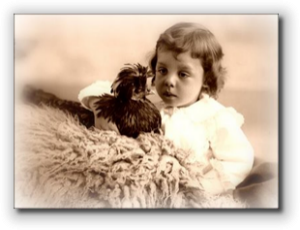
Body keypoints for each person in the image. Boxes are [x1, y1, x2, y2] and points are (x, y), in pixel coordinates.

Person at [149, 22, 254, 195]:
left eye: (183, 74)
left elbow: (240, 159)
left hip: (194, 190)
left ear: (206, 79)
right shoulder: (152, 110)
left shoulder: (214, 116)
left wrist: (207, 185)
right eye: (163, 70)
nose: (169, 81)